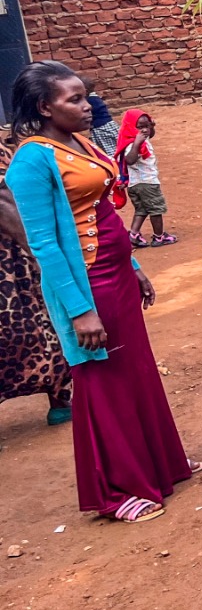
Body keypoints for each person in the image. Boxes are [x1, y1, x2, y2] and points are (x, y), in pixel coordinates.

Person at [4, 62, 197, 523]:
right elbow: (44, 242)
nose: (87, 105)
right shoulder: (32, 159)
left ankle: (160, 464)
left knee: (137, 369)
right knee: (101, 380)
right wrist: (79, 311)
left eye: (85, 95)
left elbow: (102, 214)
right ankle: (116, 490)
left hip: (116, 274)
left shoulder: (77, 142)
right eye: (73, 99)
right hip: (86, 283)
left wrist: (133, 266)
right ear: (44, 107)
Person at [0, 138, 74, 439]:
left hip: (11, 261)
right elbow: (4, 202)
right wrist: (35, 251)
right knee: (35, 327)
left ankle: (61, 401)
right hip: (12, 265)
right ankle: (60, 400)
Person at [116, 109, 175, 247]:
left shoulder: (138, 137)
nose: (145, 130)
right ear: (131, 127)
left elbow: (150, 134)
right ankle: (159, 237)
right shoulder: (133, 143)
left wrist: (152, 127)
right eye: (140, 127)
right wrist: (137, 143)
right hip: (147, 183)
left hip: (136, 184)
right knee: (156, 209)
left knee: (141, 209)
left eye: (147, 126)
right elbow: (129, 160)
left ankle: (134, 234)